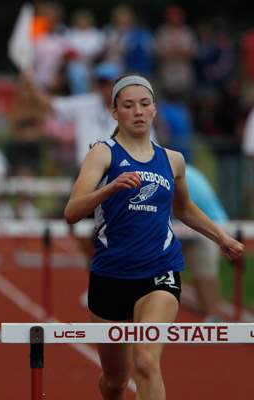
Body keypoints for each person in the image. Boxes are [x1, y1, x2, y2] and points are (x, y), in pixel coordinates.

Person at [64, 73, 243, 399]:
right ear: (115, 112)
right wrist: (109, 189)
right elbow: (72, 211)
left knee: (146, 361)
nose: (138, 111)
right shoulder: (103, 154)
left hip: (159, 271)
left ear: (154, 110)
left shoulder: (172, 160)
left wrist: (221, 237)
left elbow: (185, 209)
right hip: (110, 275)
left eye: (144, 104)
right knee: (115, 382)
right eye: (129, 105)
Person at [183, 164, 229, 322]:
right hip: (164, 230)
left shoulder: (189, 179)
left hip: (200, 231)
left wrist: (223, 238)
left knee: (205, 259)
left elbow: (213, 215)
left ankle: (212, 316)